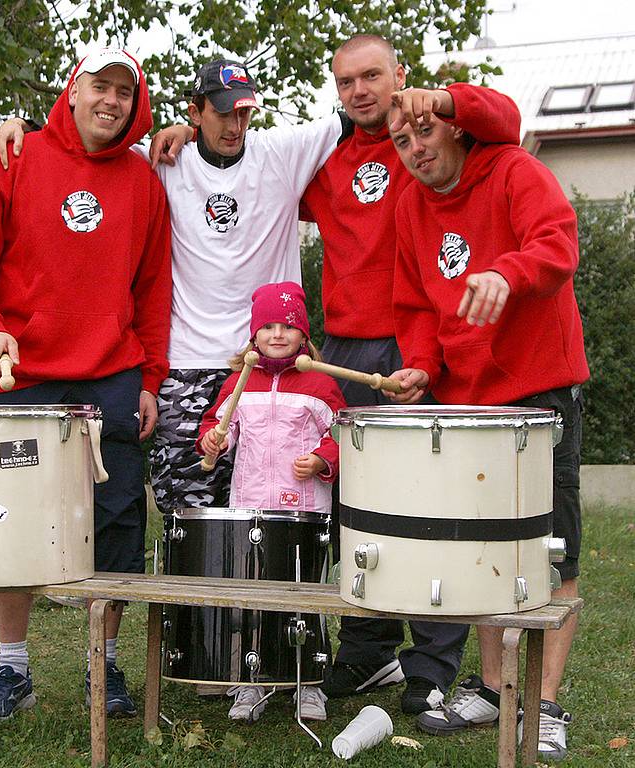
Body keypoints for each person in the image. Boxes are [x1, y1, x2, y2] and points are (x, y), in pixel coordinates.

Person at [0, 58, 348, 520]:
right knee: (187, 515)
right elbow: (83, 151)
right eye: (222, 112)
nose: (235, 125)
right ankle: (183, 597)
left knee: (271, 504)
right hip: (188, 365)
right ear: (195, 112)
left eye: (244, 113)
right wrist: (24, 127)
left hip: (272, 362)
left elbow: (359, 114)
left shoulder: (280, 151)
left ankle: (264, 595)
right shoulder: (160, 163)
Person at [0, 47, 172, 720]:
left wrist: (149, 378)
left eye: (124, 93)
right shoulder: (12, 158)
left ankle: (106, 665)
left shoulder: (143, 184)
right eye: (99, 86)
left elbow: (155, 291)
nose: (111, 100)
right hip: (24, 379)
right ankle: (12, 668)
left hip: (112, 381)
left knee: (117, 524)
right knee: (12, 525)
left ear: (136, 105)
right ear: (72, 91)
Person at [298, 34, 523, 716]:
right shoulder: (323, 158)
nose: (359, 90)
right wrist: (185, 132)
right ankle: (367, 652)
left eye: (371, 75)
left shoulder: (432, 130)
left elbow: (506, 122)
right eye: (345, 81)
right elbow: (240, 167)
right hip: (345, 347)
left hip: (421, 343)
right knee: (357, 510)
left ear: (399, 74)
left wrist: (446, 99)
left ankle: (429, 665)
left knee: (433, 506)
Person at [384, 91, 589, 761]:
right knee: (479, 546)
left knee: (553, 552)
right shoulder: (408, 207)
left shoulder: (510, 170)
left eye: (424, 129)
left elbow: (556, 244)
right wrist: (418, 365)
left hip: (537, 393)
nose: (414, 146)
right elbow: (414, 302)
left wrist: (509, 270)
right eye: (400, 139)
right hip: (464, 400)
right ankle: (496, 690)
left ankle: (547, 704)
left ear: (456, 127)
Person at [197, 281, 346, 722]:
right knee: (254, 596)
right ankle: (252, 682)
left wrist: (322, 459)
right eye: (268, 327)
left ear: (304, 336)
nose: (277, 335)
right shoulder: (238, 382)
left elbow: (342, 435)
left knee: (306, 599)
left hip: (304, 510)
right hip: (251, 507)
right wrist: (212, 442)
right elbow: (220, 429)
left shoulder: (321, 384)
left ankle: (310, 683)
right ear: (253, 335)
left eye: (288, 326)